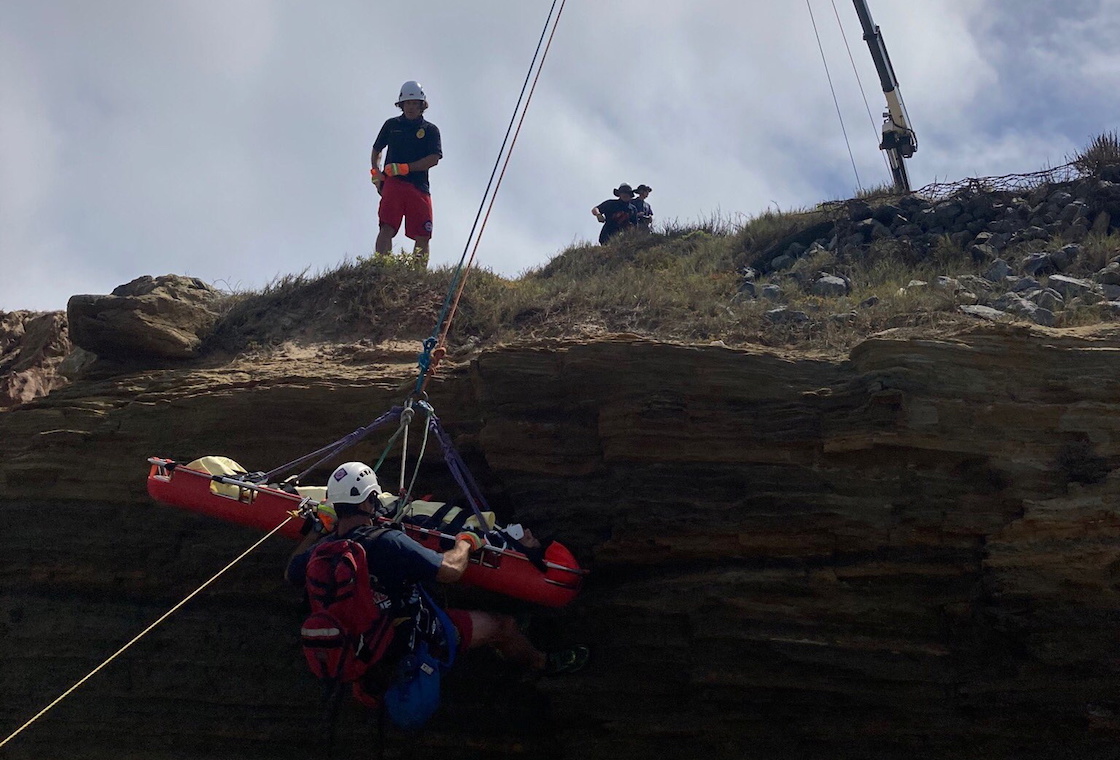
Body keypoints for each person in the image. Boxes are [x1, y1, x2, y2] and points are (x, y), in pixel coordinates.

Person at [285, 462, 589, 697]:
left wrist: (318, 530)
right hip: (408, 640)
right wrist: (467, 541)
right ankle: (540, 663)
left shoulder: (323, 550)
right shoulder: (388, 542)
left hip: (356, 641)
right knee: (503, 626)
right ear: (370, 500)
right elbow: (450, 571)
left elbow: (291, 573)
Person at [371, 81, 443, 267]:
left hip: (419, 187)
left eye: (414, 103)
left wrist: (406, 168)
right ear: (401, 104)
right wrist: (376, 172)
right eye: (407, 103)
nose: (411, 107)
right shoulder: (391, 125)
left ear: (421, 105)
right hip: (393, 185)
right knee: (386, 226)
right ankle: (381, 268)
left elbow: (434, 158)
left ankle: (417, 276)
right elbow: (377, 149)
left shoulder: (430, 130)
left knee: (423, 234)